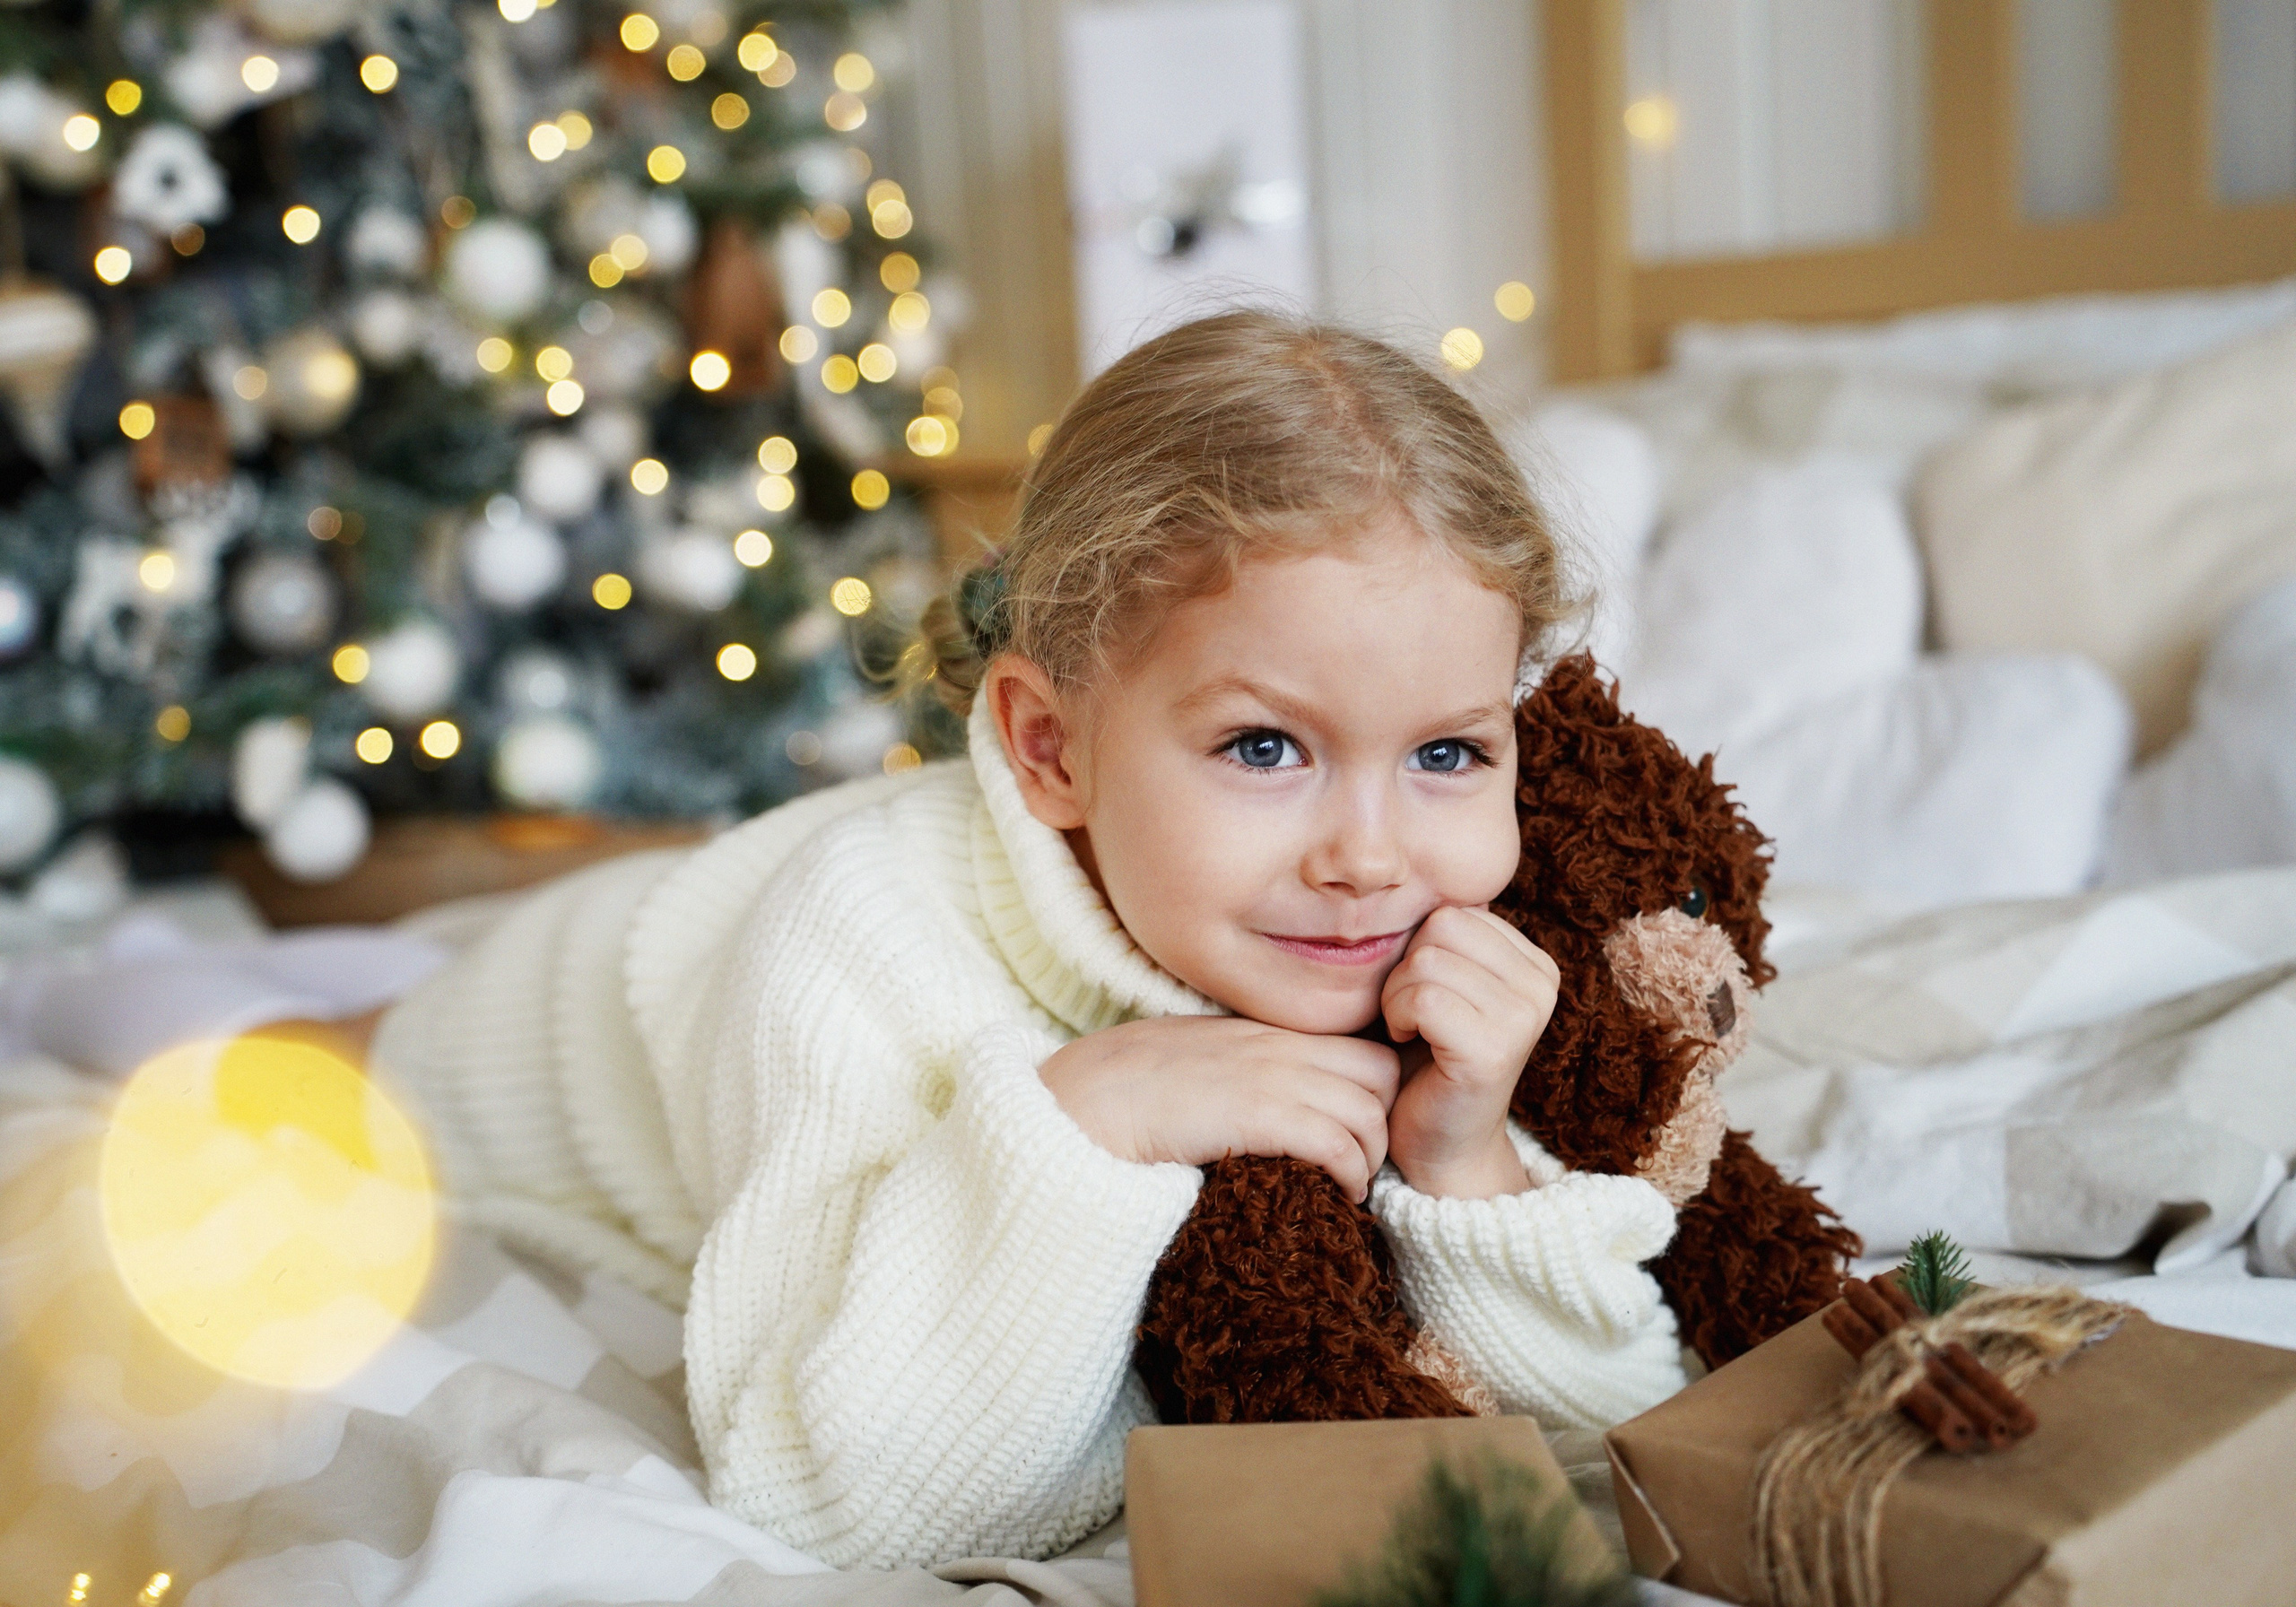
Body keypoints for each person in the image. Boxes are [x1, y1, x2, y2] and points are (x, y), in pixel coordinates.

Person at [372, 309, 1688, 1569]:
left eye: (1449, 752)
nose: (1370, 856)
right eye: (1263, 746)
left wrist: (1464, 1166)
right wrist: (1083, 1124)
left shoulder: (1430, 943)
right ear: (1049, 745)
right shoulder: (862, 942)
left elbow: (1630, 1422)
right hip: (538, 1024)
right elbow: (830, 1502)